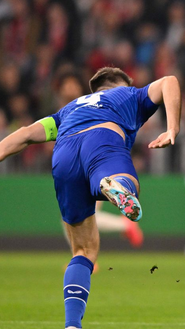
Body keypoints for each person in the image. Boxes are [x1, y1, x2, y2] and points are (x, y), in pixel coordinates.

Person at [0, 67, 181, 329]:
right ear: (121, 84)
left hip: (63, 154)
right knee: (130, 188)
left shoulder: (68, 109)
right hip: (102, 140)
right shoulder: (129, 94)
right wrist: (172, 127)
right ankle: (110, 183)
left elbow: (27, 134)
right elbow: (170, 82)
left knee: (84, 250)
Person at [55, 70, 145, 249]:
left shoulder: (87, 107)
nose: (70, 89)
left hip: (92, 164)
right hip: (85, 162)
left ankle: (86, 255)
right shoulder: (69, 110)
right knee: (77, 217)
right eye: (67, 85)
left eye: (73, 84)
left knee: (83, 215)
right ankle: (85, 255)